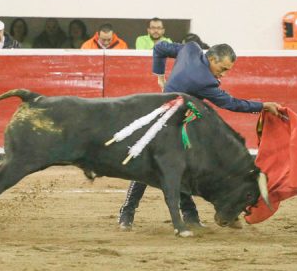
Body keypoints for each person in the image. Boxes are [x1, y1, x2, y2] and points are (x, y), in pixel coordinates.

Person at [118, 42, 281, 231]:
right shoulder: (204, 81)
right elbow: (231, 104)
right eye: (222, 69)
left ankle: (174, 216)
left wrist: (160, 77)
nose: (223, 74)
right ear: (212, 59)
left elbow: (160, 48)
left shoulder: (190, 49)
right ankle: (137, 213)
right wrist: (262, 106)